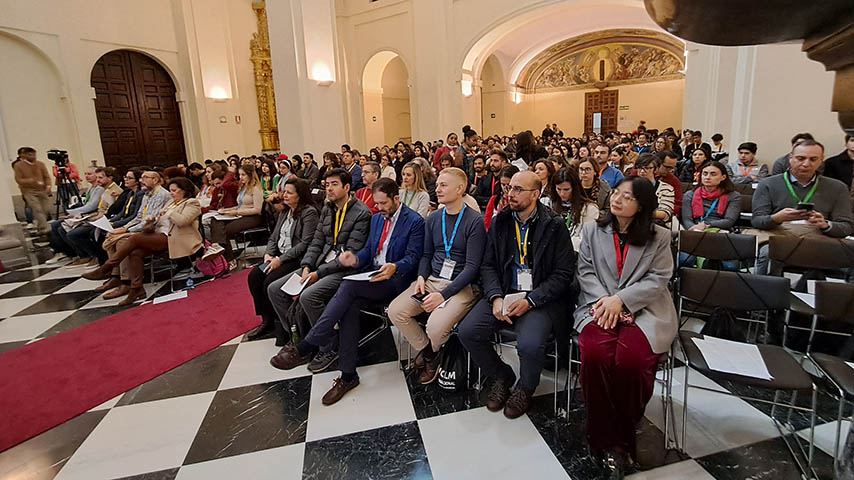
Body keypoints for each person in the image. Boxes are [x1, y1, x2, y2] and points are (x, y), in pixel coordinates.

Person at [270, 178, 425, 404]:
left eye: (383, 204)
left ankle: (306, 345)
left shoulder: (414, 221)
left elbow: (412, 258)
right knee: (349, 304)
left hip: (396, 280)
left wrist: (395, 266)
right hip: (373, 275)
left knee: (348, 286)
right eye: (377, 204)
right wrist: (354, 258)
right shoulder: (377, 219)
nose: (379, 208)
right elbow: (370, 251)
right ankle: (348, 375)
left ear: (396, 199)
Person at [574, 176, 677, 477]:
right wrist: (607, 302)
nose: (617, 199)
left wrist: (622, 300)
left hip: (645, 309)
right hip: (599, 305)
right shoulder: (594, 229)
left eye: (627, 197)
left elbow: (658, 279)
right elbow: (586, 271)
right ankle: (607, 440)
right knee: (595, 356)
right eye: (616, 193)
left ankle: (617, 440)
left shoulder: (659, 236)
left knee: (631, 362)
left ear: (642, 205)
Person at [460, 171, 575, 418]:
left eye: (518, 189)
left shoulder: (554, 226)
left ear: (536, 194)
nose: (510, 194)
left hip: (540, 298)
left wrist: (531, 300)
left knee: (530, 344)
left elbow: (563, 275)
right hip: (505, 292)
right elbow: (488, 265)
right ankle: (501, 374)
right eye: (509, 188)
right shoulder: (501, 221)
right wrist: (495, 296)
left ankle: (525, 387)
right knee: (468, 331)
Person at [267, 168, 371, 373]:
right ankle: (301, 338)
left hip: (344, 270)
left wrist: (318, 273)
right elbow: (317, 241)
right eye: (327, 184)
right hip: (319, 265)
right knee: (274, 289)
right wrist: (306, 265)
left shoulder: (362, 213)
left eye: (334, 184)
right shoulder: (327, 208)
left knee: (309, 296)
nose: (329, 188)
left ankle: (329, 346)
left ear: (347, 187)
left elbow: (349, 254)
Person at [387, 167, 485, 384]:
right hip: (432, 280)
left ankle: (433, 349)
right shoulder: (434, 218)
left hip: (461, 286)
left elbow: (472, 268)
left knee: (435, 327)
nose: (437, 189)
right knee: (395, 311)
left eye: (443, 185)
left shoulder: (473, 220)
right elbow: (426, 255)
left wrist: (443, 295)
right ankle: (431, 352)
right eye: (437, 184)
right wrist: (421, 277)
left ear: (460, 189)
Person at [84, 177, 202, 305]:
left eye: (174, 190)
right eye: (170, 190)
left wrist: (169, 213)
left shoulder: (191, 203)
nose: (171, 193)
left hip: (175, 238)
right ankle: (137, 289)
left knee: (134, 238)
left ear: (184, 191)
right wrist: (152, 219)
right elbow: (160, 219)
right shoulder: (171, 203)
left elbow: (182, 221)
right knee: (136, 253)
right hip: (159, 234)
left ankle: (107, 267)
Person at [752, 140, 854, 274]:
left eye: (813, 159)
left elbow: (846, 226)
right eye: (800, 158)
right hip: (779, 234)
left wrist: (825, 224)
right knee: (767, 252)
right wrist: (776, 218)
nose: (806, 164)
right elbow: (757, 221)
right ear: (790, 159)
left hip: (820, 238)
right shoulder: (768, 184)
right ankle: (765, 291)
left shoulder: (838, 188)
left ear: (821, 161)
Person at [246, 177, 319, 343]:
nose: (284, 195)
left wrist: (280, 259)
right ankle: (267, 320)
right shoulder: (285, 212)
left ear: (300, 195)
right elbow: (274, 236)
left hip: (295, 258)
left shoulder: (309, 213)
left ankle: (284, 324)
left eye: (289, 193)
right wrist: (268, 254)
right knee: (254, 277)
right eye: (284, 191)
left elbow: (305, 243)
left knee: (269, 282)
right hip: (278, 255)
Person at [680, 161, 742, 268]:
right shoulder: (690, 195)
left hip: (720, 233)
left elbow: (729, 221)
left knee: (730, 266)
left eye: (713, 174)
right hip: (695, 233)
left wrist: (707, 225)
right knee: (685, 261)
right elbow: (687, 220)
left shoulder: (733, 196)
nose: (708, 177)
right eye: (705, 174)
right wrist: (697, 230)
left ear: (723, 177)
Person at [60, 167, 122, 266]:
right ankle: (87, 256)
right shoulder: (105, 190)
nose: (98, 180)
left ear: (110, 178)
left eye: (100, 178)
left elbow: (110, 211)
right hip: (98, 218)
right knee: (64, 228)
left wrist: (94, 218)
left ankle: (96, 256)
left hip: (105, 220)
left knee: (75, 234)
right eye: (97, 178)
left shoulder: (113, 191)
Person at [209, 164, 264, 262]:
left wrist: (236, 212)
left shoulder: (256, 189)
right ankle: (216, 246)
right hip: (241, 214)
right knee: (215, 220)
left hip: (253, 217)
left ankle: (228, 259)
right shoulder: (243, 188)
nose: (240, 177)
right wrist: (227, 210)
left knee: (224, 231)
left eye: (243, 175)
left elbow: (257, 209)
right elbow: (240, 205)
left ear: (250, 175)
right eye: (239, 175)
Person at [548, 167, 599, 249]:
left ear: (575, 188)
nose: (562, 193)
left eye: (566, 189)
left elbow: (586, 239)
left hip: (575, 254)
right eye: (558, 189)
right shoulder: (549, 204)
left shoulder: (590, 208)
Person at [14, 147, 53, 234]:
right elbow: (19, 179)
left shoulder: (40, 164)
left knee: (46, 209)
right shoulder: (18, 165)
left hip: (42, 190)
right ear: (24, 155)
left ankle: (40, 226)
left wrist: (48, 186)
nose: (33, 156)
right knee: (37, 209)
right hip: (29, 191)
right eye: (30, 155)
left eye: (34, 154)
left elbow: (46, 176)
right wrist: (31, 180)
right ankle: (45, 228)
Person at [635, 154, 675, 228]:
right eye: (639, 168)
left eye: (647, 168)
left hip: (655, 225)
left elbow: (665, 213)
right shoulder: (629, 186)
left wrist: (640, 213)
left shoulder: (666, 188)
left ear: (655, 169)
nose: (642, 171)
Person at [484, 165, 519, 231]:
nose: (505, 188)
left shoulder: (521, 200)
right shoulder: (494, 199)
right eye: (503, 184)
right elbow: (487, 223)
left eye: (509, 185)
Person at [655, 151, 682, 218]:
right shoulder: (641, 173)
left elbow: (678, 205)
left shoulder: (673, 180)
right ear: (657, 163)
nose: (670, 171)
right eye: (667, 167)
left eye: (673, 168)